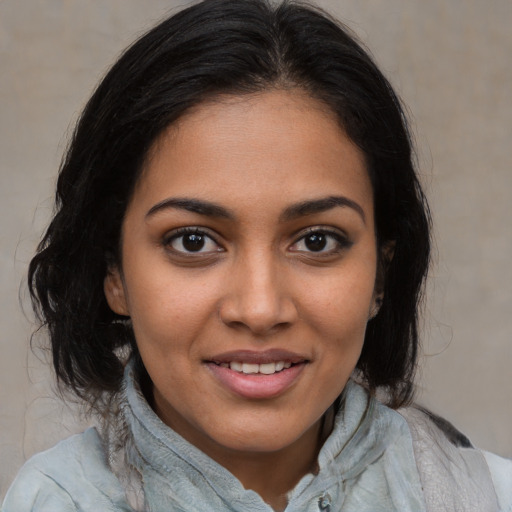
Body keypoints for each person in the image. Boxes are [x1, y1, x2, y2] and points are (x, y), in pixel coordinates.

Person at [2, 0, 511, 510]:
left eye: (317, 240)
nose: (260, 309)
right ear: (113, 273)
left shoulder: (487, 496)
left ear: (382, 273)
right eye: (193, 241)